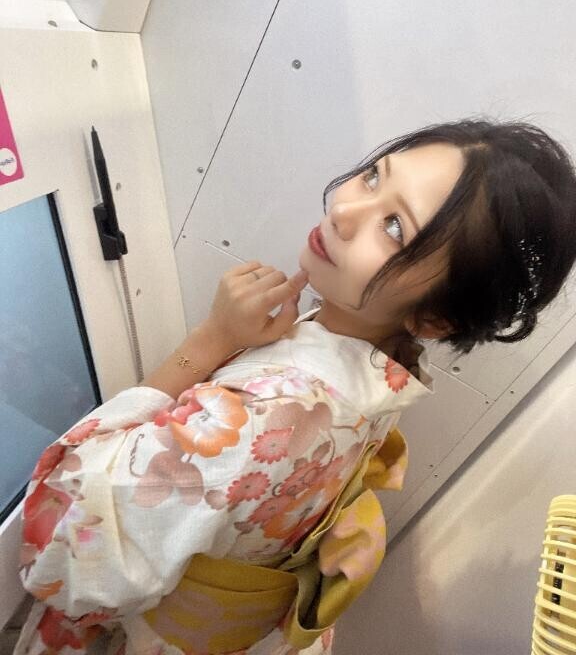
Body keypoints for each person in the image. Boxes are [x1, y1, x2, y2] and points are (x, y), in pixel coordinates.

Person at [14, 118, 576, 655]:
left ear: (432, 318)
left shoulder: (271, 415)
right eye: (373, 176)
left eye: (394, 227)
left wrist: (211, 339)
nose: (345, 209)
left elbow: (58, 556)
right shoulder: (382, 367)